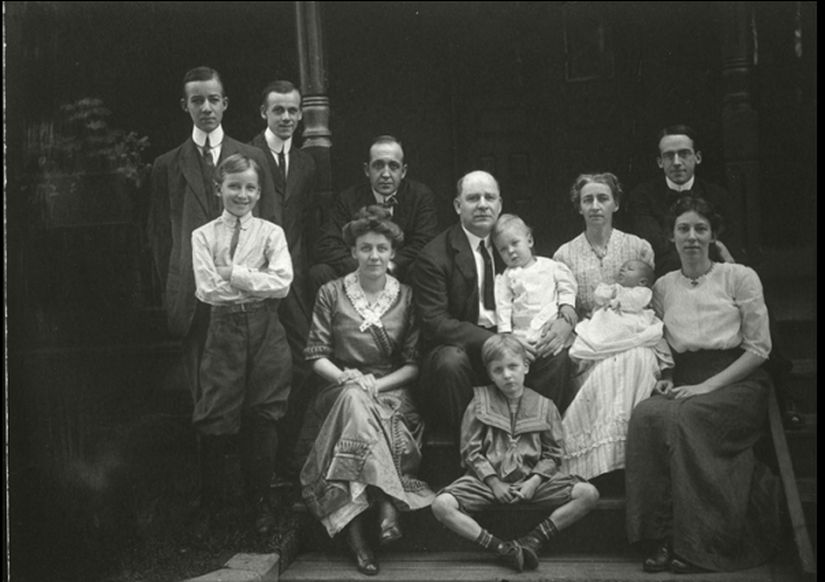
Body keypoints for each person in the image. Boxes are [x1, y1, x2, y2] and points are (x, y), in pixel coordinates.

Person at [146, 66, 277, 529]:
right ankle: (213, 504)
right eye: (196, 100)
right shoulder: (168, 164)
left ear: (225, 103)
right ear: (186, 106)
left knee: (253, 401)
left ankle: (254, 504)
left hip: (247, 309)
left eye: (213, 99)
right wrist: (178, 289)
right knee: (207, 402)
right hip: (195, 303)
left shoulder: (248, 156)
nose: (205, 108)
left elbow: (271, 229)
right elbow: (160, 238)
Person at [625, 196, 780, 574]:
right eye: (683, 229)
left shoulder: (739, 276)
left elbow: (759, 349)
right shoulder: (662, 286)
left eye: (700, 229)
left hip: (737, 381)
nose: (692, 237)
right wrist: (666, 377)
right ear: (671, 237)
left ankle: (699, 543)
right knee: (646, 416)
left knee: (688, 418)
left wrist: (708, 386)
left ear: (712, 235)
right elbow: (658, 337)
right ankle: (659, 539)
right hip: (686, 381)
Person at [299, 206, 435, 576]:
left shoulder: (406, 297)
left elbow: (412, 364)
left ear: (392, 253)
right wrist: (348, 379)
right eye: (365, 248)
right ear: (353, 252)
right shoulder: (331, 292)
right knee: (353, 400)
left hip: (391, 392)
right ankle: (389, 500)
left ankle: (357, 538)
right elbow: (316, 355)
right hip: (338, 389)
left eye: (381, 248)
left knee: (359, 405)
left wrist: (375, 383)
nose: (374, 256)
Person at [412, 171, 576, 438]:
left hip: (522, 338)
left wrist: (566, 318)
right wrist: (496, 340)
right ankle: (470, 454)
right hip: (469, 348)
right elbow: (436, 322)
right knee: (449, 362)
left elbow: (552, 283)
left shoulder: (512, 244)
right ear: (457, 206)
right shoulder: (434, 256)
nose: (482, 204)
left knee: (556, 356)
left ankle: (535, 444)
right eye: (473, 198)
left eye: (490, 197)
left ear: (500, 204)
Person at [431, 334, 599, 573]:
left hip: (532, 481)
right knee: (441, 505)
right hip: (487, 483)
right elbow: (470, 450)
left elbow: (553, 453)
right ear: (489, 373)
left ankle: (534, 539)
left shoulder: (544, 405)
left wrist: (534, 480)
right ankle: (500, 548)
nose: (507, 375)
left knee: (588, 494)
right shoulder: (479, 403)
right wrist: (493, 482)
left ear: (526, 366)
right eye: (498, 370)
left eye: (513, 366)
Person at [190, 154, 293, 534]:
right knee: (216, 416)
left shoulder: (271, 234)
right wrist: (255, 278)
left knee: (263, 415)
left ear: (259, 192)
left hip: (266, 329)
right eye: (234, 186)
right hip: (223, 332)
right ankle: (210, 507)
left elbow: (282, 282)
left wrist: (233, 272)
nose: (242, 194)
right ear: (219, 188)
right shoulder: (202, 235)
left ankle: (260, 505)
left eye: (250, 187)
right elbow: (207, 290)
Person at [553, 173, 661, 482]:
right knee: (602, 369)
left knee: (636, 360)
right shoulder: (564, 254)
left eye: (603, 198)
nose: (595, 206)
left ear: (615, 204)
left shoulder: (638, 247)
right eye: (588, 200)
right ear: (579, 208)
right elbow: (568, 306)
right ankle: (597, 462)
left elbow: (647, 301)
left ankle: (628, 457)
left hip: (634, 334)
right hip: (591, 338)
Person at [249, 80, 318, 482]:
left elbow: (307, 223)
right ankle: (262, 469)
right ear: (264, 113)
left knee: (305, 363)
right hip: (255, 277)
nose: (288, 118)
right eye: (279, 111)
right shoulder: (246, 154)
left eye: (294, 111)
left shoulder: (308, 163)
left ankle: (287, 456)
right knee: (262, 369)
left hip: (294, 280)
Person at [310, 135, 439, 290]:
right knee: (320, 273)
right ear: (367, 170)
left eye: (393, 166)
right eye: (378, 166)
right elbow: (327, 243)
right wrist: (362, 267)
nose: (385, 174)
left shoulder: (420, 196)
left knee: (421, 270)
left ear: (403, 171)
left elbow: (424, 242)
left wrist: (390, 265)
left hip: (400, 272)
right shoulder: (348, 198)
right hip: (356, 273)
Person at [627, 124, 738, 277]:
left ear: (697, 158)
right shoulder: (642, 196)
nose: (677, 162)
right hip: (664, 278)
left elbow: (729, 245)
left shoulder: (718, 195)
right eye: (669, 156)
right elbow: (655, 245)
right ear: (660, 162)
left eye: (684, 154)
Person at [492, 213, 578, 345]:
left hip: (550, 326)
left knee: (559, 356)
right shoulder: (506, 277)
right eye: (503, 249)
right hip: (523, 333)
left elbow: (566, 286)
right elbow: (503, 304)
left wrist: (566, 305)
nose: (510, 251)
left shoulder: (551, 266)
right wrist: (505, 332)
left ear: (529, 241)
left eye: (515, 243)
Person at [567, 259, 666, 360]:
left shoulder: (643, 292)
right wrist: (607, 294)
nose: (623, 270)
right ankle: (603, 344)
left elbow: (635, 302)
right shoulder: (614, 288)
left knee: (628, 327)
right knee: (595, 330)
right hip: (609, 318)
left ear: (642, 282)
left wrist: (617, 301)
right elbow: (599, 297)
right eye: (622, 268)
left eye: (630, 269)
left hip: (631, 318)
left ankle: (616, 344)